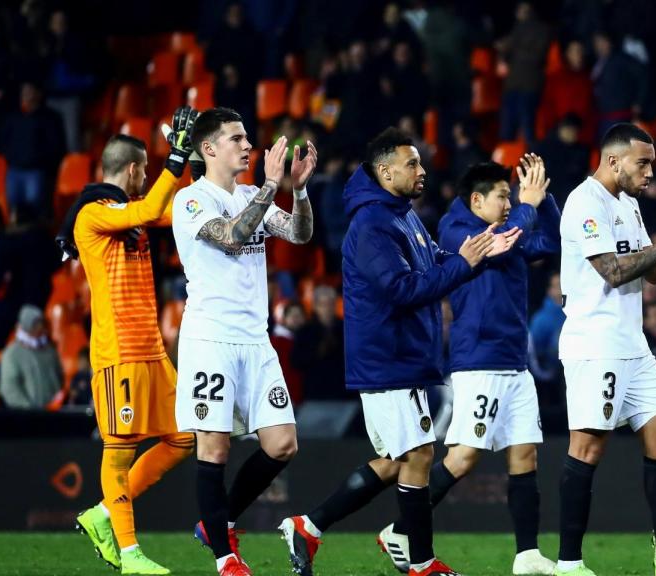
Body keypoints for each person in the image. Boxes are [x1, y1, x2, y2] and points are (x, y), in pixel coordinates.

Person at [277, 128, 520, 576]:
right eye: (413, 164)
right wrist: (465, 265)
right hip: (388, 358)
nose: (422, 171)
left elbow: (430, 265)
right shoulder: (372, 224)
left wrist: (475, 257)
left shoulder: (400, 215)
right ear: (386, 171)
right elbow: (401, 290)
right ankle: (421, 561)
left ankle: (307, 527)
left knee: (397, 461)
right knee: (420, 454)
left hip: (403, 355)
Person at [375, 156, 560, 576]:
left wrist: (542, 200)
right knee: (464, 456)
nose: (510, 202)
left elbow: (548, 241)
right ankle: (400, 529)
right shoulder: (457, 229)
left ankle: (527, 555)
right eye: (502, 196)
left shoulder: (511, 226)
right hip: (478, 360)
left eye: (511, 196)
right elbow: (502, 244)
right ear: (477, 201)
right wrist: (528, 207)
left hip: (514, 360)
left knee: (525, 452)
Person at [555, 123, 656, 576]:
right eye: (642, 163)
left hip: (632, 343)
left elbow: (650, 271)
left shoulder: (627, 203)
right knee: (587, 449)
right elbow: (612, 270)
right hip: (595, 345)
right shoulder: (583, 203)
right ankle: (568, 563)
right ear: (613, 161)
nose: (650, 171)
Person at [171, 107, 316, 576]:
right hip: (211, 339)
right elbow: (233, 237)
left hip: (256, 341)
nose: (248, 145)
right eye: (237, 138)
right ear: (209, 148)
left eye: (247, 138)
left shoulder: (254, 193)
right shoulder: (192, 201)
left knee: (282, 445)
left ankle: (216, 523)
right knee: (213, 450)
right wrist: (274, 186)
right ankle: (225, 557)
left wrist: (299, 188)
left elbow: (298, 233)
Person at [56, 113, 199, 575]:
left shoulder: (135, 208)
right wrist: (173, 157)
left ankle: (102, 514)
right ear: (135, 170)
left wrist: (191, 159)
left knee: (184, 437)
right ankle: (131, 553)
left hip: (152, 351)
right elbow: (143, 210)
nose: (146, 179)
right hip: (118, 352)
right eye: (145, 170)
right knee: (118, 452)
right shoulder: (92, 213)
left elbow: (183, 206)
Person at [0, 304, 62, 409]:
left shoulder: (50, 351)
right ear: (27, 325)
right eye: (36, 323)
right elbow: (10, 389)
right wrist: (28, 409)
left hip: (54, 414)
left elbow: (59, 378)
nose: (40, 327)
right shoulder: (12, 354)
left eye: (41, 323)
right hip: (27, 418)